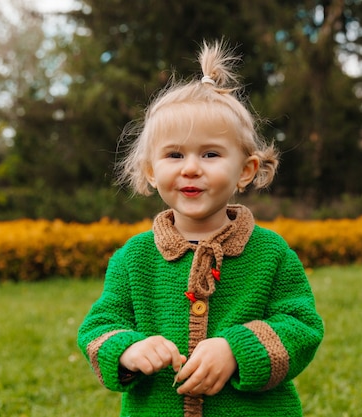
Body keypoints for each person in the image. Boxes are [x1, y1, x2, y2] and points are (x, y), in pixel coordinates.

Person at [77, 40, 324, 417]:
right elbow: (99, 326)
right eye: (174, 155)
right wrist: (126, 349)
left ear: (246, 170)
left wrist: (236, 350)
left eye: (210, 154)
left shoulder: (270, 253)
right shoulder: (134, 259)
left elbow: (302, 327)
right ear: (150, 171)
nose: (191, 168)